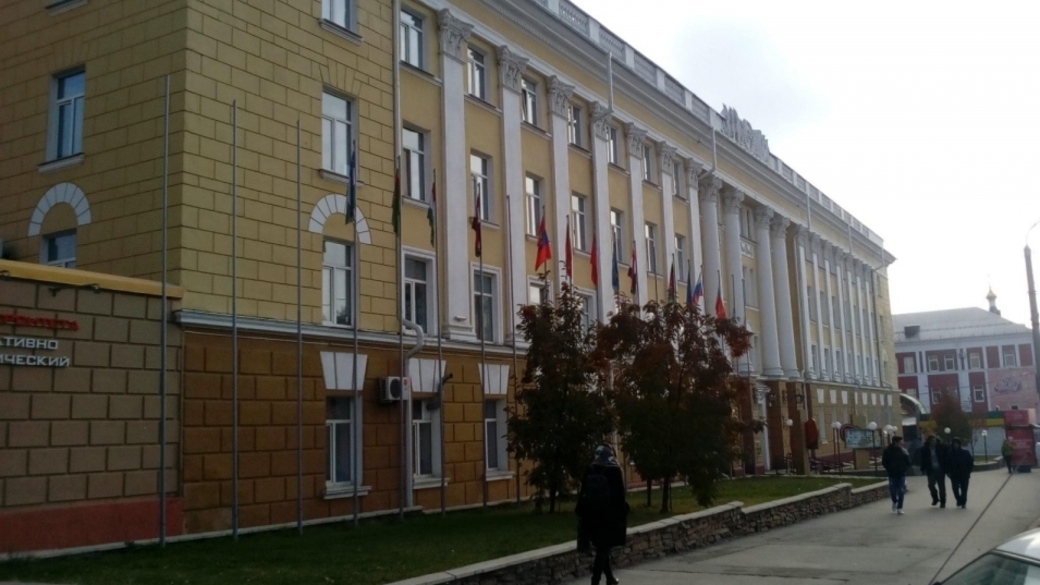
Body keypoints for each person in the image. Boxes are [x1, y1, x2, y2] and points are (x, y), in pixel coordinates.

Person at [576, 445, 629, 585]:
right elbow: (619, 497)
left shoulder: (590, 468)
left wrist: (580, 513)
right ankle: (595, 581)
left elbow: (582, 494)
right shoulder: (614, 469)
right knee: (603, 549)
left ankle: (610, 578)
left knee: (602, 548)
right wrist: (623, 512)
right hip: (608, 517)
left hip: (591, 515)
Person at [882, 435, 911, 514]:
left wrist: (904, 469)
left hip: (901, 474)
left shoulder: (903, 451)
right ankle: (895, 501)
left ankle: (900, 507)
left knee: (901, 490)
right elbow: (884, 462)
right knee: (893, 491)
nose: (902, 443)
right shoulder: (887, 451)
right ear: (895, 442)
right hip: (892, 474)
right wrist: (889, 468)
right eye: (901, 441)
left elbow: (908, 462)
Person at [919, 435, 948, 508]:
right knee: (931, 485)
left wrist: (946, 468)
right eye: (932, 441)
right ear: (929, 441)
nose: (933, 442)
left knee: (941, 486)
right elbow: (923, 459)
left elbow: (945, 457)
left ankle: (943, 501)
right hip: (931, 470)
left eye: (934, 441)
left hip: (940, 469)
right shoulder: (925, 449)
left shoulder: (941, 448)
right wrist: (923, 468)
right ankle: (935, 497)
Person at [946, 437, 975, 508]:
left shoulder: (965, 453)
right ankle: (958, 499)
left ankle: (963, 502)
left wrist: (969, 471)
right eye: (954, 444)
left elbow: (970, 463)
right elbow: (947, 464)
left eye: (957, 444)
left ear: (959, 444)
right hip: (954, 475)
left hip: (964, 474)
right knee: (955, 489)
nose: (956, 445)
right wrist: (948, 472)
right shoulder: (950, 454)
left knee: (964, 489)